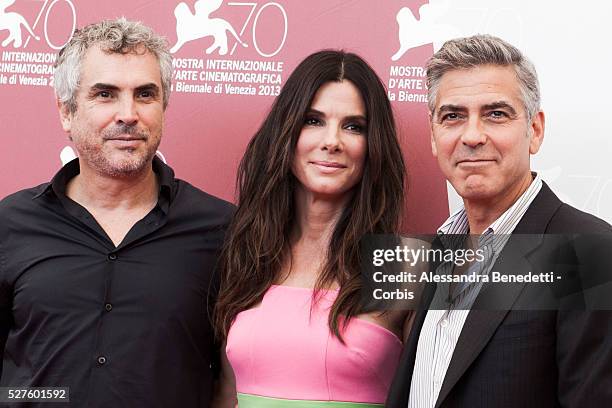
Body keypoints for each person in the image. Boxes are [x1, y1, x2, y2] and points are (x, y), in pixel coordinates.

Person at [0, 18, 233, 407]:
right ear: (66, 112)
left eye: (145, 94)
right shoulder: (10, 223)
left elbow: (232, 379)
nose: (128, 114)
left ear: (163, 107)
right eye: (105, 94)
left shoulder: (222, 229)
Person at [386, 34, 612, 407]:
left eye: (496, 113)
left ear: (535, 130)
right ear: (433, 135)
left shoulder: (589, 253)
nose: (472, 136)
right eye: (453, 116)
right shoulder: (434, 253)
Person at [212, 50, 409, 407]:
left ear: (373, 145)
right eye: (313, 120)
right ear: (286, 132)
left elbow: (538, 274)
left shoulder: (406, 263)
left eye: (353, 126)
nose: (332, 141)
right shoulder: (245, 256)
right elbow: (226, 396)